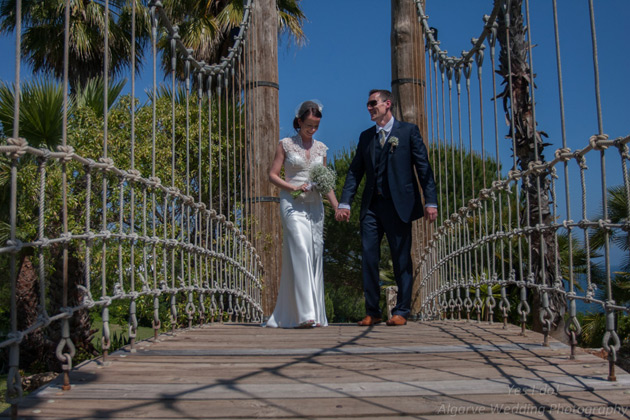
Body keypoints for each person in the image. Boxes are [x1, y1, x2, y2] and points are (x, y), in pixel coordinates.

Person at [335, 89, 438, 326]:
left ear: (387, 104)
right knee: (369, 257)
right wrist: (345, 201)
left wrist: (430, 201)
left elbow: (423, 168)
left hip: (399, 206)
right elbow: (354, 172)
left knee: (401, 258)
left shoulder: (408, 132)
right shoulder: (365, 137)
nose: (370, 108)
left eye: (373, 103)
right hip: (372, 206)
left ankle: (401, 311)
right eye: (368, 104)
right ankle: (373, 311)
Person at [264, 100, 339, 328]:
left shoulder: (321, 149)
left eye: (315, 126)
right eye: (308, 125)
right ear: (299, 121)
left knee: (314, 255)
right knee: (301, 250)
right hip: (291, 204)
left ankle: (309, 313)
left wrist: (337, 207)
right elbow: (272, 175)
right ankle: (306, 314)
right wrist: (292, 188)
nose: (312, 130)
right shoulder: (285, 145)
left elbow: (326, 182)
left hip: (315, 207)